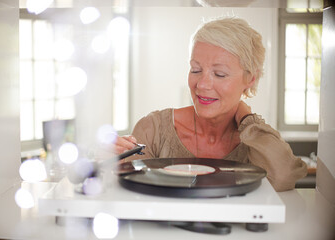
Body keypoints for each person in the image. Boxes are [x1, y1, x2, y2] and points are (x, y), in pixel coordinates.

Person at [115, 17, 307, 192]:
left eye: (219, 74)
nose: (202, 85)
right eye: (195, 70)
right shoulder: (153, 129)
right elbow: (130, 190)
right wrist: (107, 164)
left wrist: (247, 119)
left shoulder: (257, 140)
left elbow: (283, 178)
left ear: (250, 79)